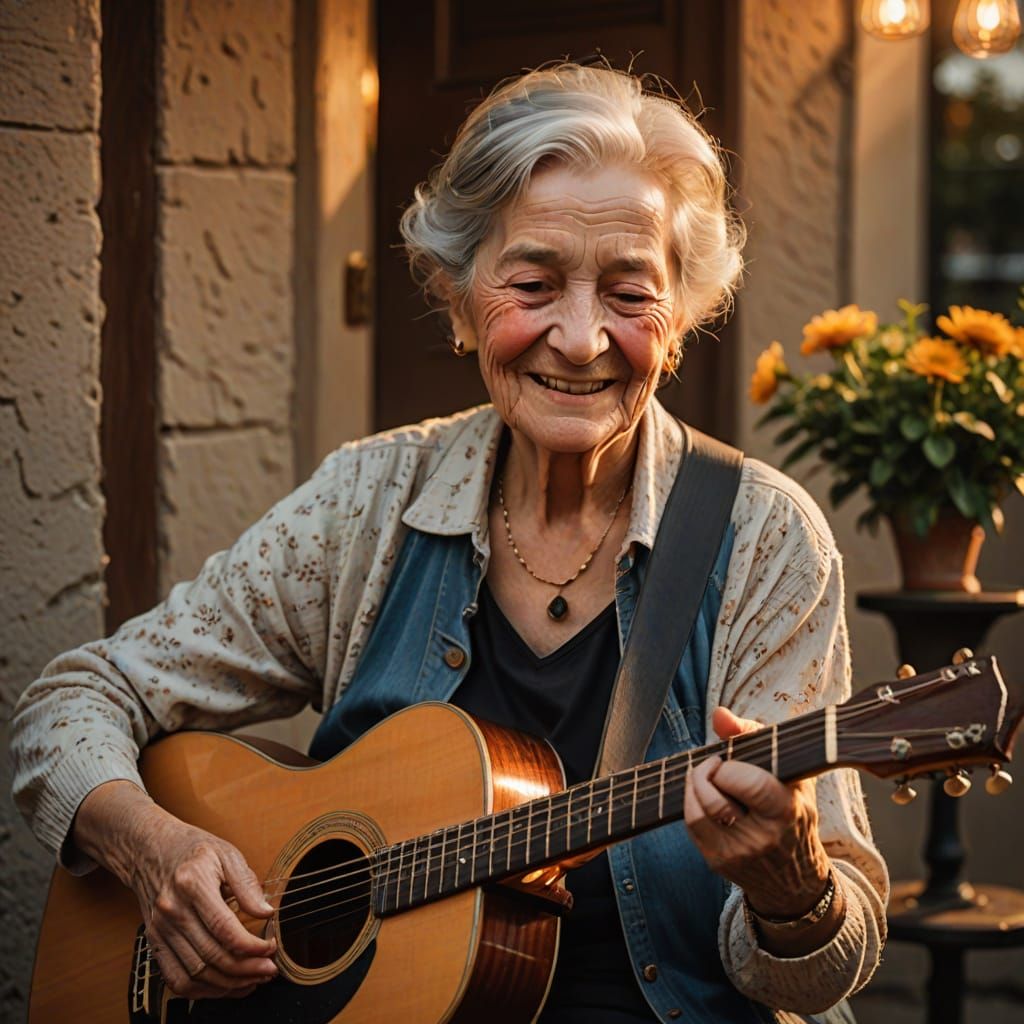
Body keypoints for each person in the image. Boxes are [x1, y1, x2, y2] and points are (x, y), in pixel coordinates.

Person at [11, 63, 887, 1022]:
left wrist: (792, 890)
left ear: (678, 322)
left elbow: (821, 974)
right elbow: (73, 701)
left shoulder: (762, 536)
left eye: (629, 293)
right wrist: (155, 850)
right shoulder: (370, 502)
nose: (582, 337)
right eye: (534, 283)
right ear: (461, 301)